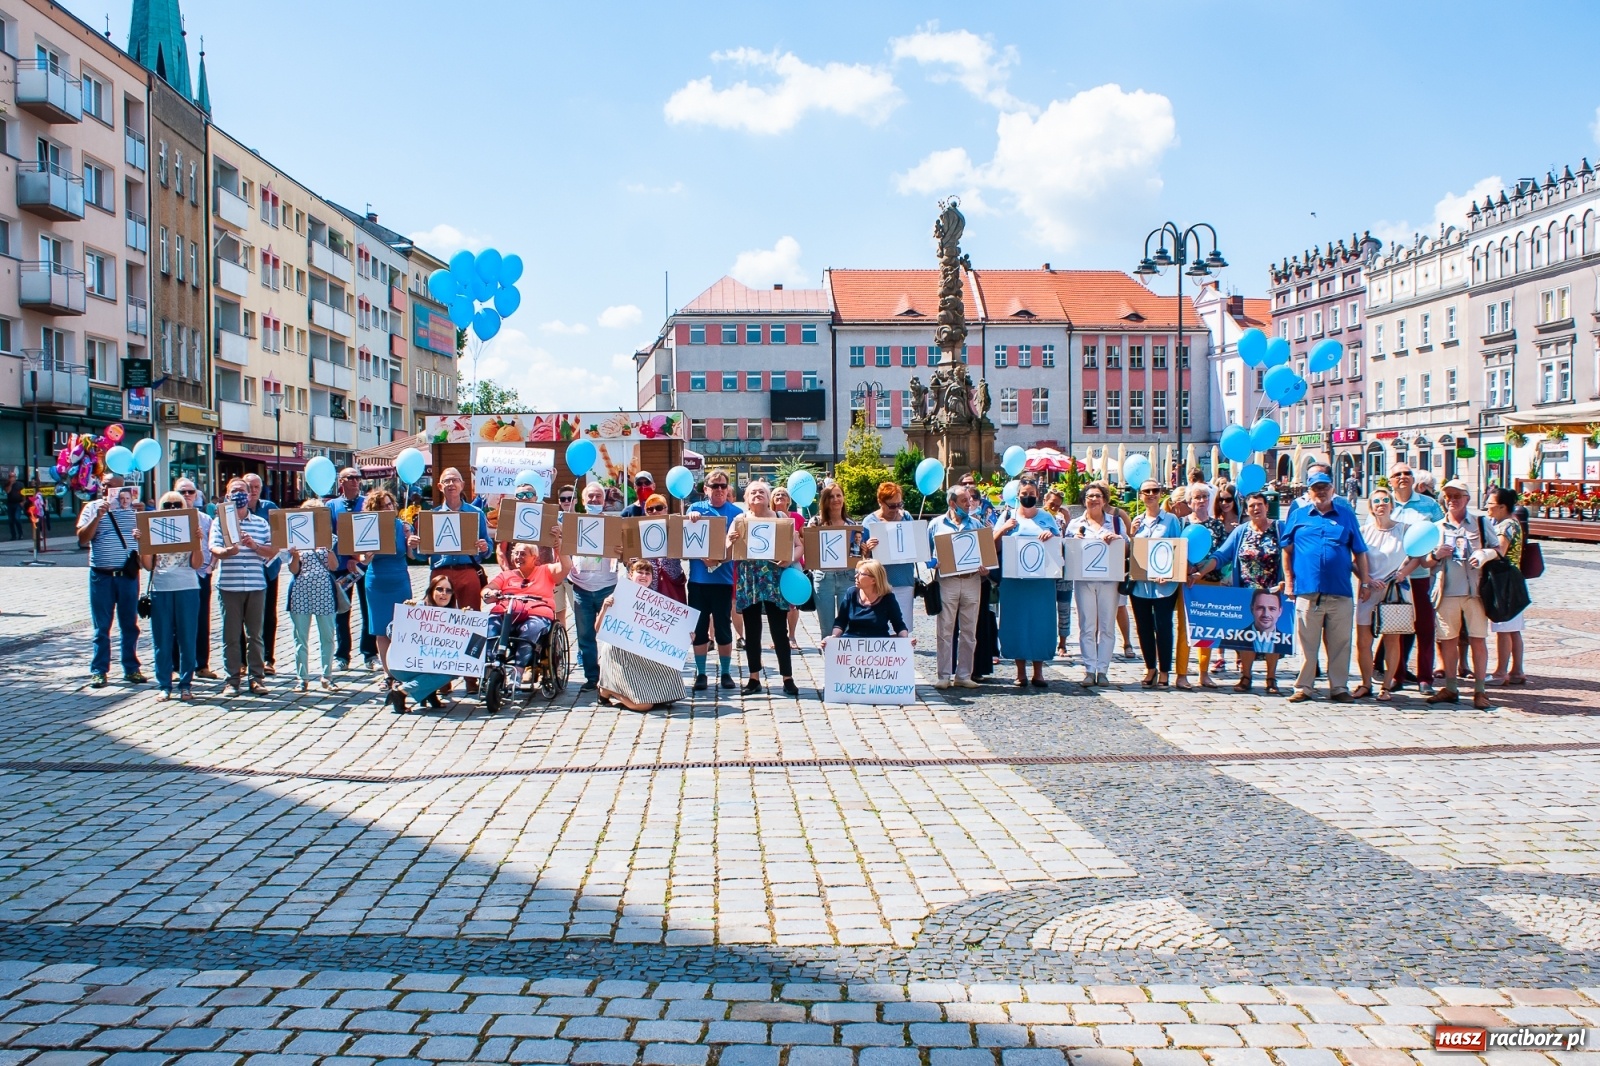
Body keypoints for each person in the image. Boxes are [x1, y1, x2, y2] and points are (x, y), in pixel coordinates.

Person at [1282, 470, 1372, 703]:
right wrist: (1289, 581)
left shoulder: (1346, 515)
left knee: (1341, 642)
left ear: (1333, 489)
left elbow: (1360, 551)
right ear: (1309, 491)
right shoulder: (1299, 515)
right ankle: (1304, 686)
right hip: (1307, 589)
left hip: (1340, 590)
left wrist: (1365, 581)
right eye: (1316, 488)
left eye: (1325, 487)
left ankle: (1339, 687)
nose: (1321, 491)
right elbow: (1287, 549)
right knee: (1306, 642)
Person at [409, 467, 491, 693]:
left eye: (455, 480)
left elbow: (487, 549)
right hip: (441, 573)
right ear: (439, 486)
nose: (451, 484)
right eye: (447, 481)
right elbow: (421, 554)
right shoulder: (431, 516)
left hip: (467, 571)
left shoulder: (476, 514)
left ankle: (471, 676)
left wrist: (484, 548)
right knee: (440, 627)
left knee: (472, 625)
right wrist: (414, 547)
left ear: (463, 485)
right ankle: (441, 679)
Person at [1195, 492, 1286, 694]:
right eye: (1252, 506)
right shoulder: (1242, 532)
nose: (1256, 509)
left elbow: (1292, 555)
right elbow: (1221, 556)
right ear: (1246, 510)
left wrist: (1288, 581)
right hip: (1245, 593)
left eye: (1259, 505)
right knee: (1246, 637)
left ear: (1266, 506)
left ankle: (1271, 678)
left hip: (1273, 591)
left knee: (1274, 636)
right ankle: (1246, 676)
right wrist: (1201, 572)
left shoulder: (1279, 529)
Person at [1423, 479, 1501, 709]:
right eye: (1448, 497)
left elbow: (1498, 549)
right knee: (1448, 640)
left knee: (1478, 639)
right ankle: (1450, 687)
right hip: (1446, 592)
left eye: (1457, 496)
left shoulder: (1480, 522)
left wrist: (1485, 554)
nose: (1452, 501)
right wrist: (1436, 555)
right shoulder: (1437, 527)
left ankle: (1480, 690)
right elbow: (1425, 561)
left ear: (1467, 498)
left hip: (1475, 592)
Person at [727, 480, 802, 696]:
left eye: (761, 492)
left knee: (779, 630)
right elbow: (725, 549)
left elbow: (798, 546)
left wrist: (789, 559)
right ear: (746, 499)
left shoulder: (781, 519)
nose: (757, 494)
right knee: (752, 631)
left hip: (774, 579)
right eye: (753, 492)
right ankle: (754, 678)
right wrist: (730, 541)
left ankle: (787, 677)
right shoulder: (740, 520)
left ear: (768, 497)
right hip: (748, 580)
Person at [1349, 488, 1422, 701]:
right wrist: (1366, 580)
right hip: (1369, 592)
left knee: (1392, 639)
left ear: (1392, 505)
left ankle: (1387, 686)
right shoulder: (1364, 532)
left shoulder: (1404, 530)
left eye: (1385, 500)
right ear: (1371, 506)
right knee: (1363, 640)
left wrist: (1402, 573)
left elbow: (1416, 556)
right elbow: (1354, 561)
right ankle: (1365, 683)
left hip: (1395, 592)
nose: (1381, 504)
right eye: (1377, 501)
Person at [210, 478, 277, 695]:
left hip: (256, 585)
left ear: (249, 496)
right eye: (234, 492)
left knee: (255, 635)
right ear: (227, 496)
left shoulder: (260, 523)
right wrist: (230, 550)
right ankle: (232, 680)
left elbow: (272, 551)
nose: (239, 495)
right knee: (231, 635)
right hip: (229, 586)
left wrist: (254, 545)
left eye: (242, 491)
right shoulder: (219, 522)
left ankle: (257, 678)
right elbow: (214, 549)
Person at [78, 477, 144, 688]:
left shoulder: (134, 508)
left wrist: (143, 516)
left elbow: (149, 539)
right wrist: (98, 517)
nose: (110, 488)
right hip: (102, 575)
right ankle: (99, 670)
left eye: (115, 485)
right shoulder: (93, 507)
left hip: (127, 575)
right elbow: (82, 538)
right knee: (102, 627)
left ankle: (131, 668)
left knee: (129, 625)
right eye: (106, 485)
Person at [994, 479, 1061, 688]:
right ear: (1018, 495)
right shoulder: (1007, 516)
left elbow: (1061, 547)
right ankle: (1020, 671)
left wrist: (1051, 536)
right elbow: (992, 546)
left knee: (1041, 624)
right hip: (1014, 583)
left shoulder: (1047, 518)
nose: (1028, 496)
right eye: (1024, 492)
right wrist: (1004, 529)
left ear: (1037, 495)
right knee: (1016, 623)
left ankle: (1039, 672)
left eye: (1031, 492)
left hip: (1041, 583)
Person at [138, 490, 203, 701]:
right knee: (162, 640)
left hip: (187, 587)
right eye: (167, 505)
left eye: (177, 504)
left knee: (187, 638)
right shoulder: (153, 527)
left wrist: (197, 542)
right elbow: (148, 565)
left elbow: (197, 564)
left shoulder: (191, 526)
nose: (173, 508)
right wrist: (143, 543)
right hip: (161, 588)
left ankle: (186, 684)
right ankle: (164, 684)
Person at [597, 558, 687, 711]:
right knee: (644, 705)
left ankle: (639, 689)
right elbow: (598, 629)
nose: (644, 576)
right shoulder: (619, 595)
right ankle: (607, 689)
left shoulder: (656, 600)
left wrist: (685, 637)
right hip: (620, 653)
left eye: (647, 573)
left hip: (643, 653)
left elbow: (666, 632)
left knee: (669, 696)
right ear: (631, 574)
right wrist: (605, 608)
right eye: (640, 572)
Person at [1386, 463, 1445, 695]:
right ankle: (1396, 674)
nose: (1403, 477)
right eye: (1397, 474)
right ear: (1390, 481)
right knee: (1396, 628)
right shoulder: (1386, 504)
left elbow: (1441, 532)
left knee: (1425, 627)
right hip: (1396, 576)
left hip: (1421, 575)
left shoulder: (1428, 505)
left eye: (1407, 473)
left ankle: (1424, 678)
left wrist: (1435, 556)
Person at [1066, 483, 1128, 687]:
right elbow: (1064, 551)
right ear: (1084, 500)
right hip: (1084, 580)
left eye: (1098, 496)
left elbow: (1127, 547)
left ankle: (1103, 670)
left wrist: (1118, 539)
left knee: (1107, 626)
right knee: (1087, 625)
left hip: (1109, 580)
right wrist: (1074, 541)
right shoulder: (1075, 524)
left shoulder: (1116, 523)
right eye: (1090, 496)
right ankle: (1089, 669)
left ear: (1104, 500)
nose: (1094, 499)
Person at [926, 484, 987, 689]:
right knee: (945, 629)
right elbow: (925, 555)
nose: (969, 504)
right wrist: (933, 563)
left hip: (971, 580)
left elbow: (986, 555)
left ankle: (963, 675)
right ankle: (944, 676)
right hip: (947, 581)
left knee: (969, 631)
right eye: (964, 501)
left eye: (970, 500)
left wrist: (985, 567)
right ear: (952, 503)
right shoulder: (936, 525)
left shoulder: (977, 525)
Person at [686, 468, 741, 692]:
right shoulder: (695, 509)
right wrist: (704, 556)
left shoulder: (736, 514)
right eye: (714, 486)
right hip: (698, 581)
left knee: (723, 628)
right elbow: (686, 541)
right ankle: (701, 674)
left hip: (723, 581)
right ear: (705, 489)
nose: (719, 489)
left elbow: (739, 549)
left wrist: (716, 561)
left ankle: (726, 672)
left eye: (723, 486)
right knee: (699, 629)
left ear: (728, 489)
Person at [1129, 480, 1183, 687]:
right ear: (1141, 495)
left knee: (1163, 626)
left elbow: (1177, 549)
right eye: (1147, 491)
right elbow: (1133, 552)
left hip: (1163, 585)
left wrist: (1169, 574)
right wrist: (1131, 534)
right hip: (1141, 585)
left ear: (1161, 494)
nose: (1151, 494)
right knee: (1143, 627)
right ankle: (1149, 666)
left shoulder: (1171, 520)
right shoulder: (1137, 520)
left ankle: (1164, 670)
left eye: (1155, 490)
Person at [355, 487, 412, 679]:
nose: (388, 508)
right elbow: (363, 560)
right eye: (382, 506)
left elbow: (414, 555)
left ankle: (401, 673)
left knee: (401, 628)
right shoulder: (368, 527)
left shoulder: (402, 526)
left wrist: (411, 542)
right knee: (381, 630)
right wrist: (367, 555)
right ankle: (388, 675)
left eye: (390, 504)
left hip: (399, 578)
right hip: (377, 581)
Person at [286, 498, 342, 693]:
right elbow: (294, 570)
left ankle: (327, 676)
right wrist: (294, 555)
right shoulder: (295, 538)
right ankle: (302, 678)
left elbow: (334, 567)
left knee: (327, 635)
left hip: (324, 591)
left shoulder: (330, 538)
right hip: (301, 590)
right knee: (300, 637)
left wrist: (328, 550)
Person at [386, 571, 462, 713]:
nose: (443, 593)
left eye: (448, 590)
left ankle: (429, 694)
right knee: (447, 672)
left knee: (452, 664)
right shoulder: (417, 607)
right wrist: (404, 618)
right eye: (439, 589)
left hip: (425, 663)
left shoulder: (453, 614)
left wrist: (465, 620)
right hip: (403, 663)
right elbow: (390, 631)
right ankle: (401, 691)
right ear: (431, 590)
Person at [327, 468, 379, 672]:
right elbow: (328, 536)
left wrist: (358, 558)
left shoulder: (367, 503)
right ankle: (342, 655)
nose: (356, 481)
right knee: (342, 610)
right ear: (341, 481)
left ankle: (369, 653)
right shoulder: (332, 506)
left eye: (358, 477)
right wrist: (345, 556)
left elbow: (374, 532)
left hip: (364, 565)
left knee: (368, 611)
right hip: (341, 567)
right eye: (351, 478)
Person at [569, 480, 620, 693]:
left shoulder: (613, 524)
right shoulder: (573, 523)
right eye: (590, 496)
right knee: (585, 636)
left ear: (604, 499)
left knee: (612, 635)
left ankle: (613, 677)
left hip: (607, 586)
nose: (593, 500)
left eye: (598, 496)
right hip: (581, 587)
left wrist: (620, 550)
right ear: (582, 500)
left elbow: (624, 552)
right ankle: (592, 677)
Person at [174, 480, 220, 680]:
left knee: (201, 620)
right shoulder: (170, 517)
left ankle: (201, 664)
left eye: (190, 491)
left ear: (196, 494)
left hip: (200, 574)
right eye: (181, 491)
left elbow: (214, 543)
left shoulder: (205, 519)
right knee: (176, 622)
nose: (186, 494)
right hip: (178, 575)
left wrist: (211, 566)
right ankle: (175, 666)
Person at [1485, 486, 1527, 687]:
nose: (1487, 507)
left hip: (1503, 581)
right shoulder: (1515, 523)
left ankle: (1501, 672)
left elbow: (1499, 550)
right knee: (1513, 629)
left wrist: (1483, 552)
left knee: (1503, 627)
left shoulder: (1506, 526)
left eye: (1491, 504)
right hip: (1514, 578)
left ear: (1502, 507)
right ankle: (1517, 671)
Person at [860, 482, 917, 627]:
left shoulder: (906, 517)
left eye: (899, 504)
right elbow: (863, 559)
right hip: (879, 582)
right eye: (892, 505)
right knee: (880, 626)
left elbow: (916, 545)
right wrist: (867, 549)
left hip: (904, 579)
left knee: (903, 626)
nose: (896, 509)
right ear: (880, 502)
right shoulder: (869, 522)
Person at [241, 473, 281, 675]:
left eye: (257, 486)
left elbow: (279, 536)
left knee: (268, 614)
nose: (254, 490)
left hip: (268, 568)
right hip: (243, 569)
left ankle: (268, 658)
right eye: (250, 486)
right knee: (241, 615)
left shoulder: (270, 508)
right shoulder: (235, 509)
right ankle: (242, 661)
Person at [808, 483, 857, 639]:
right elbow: (810, 552)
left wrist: (862, 550)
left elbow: (854, 557)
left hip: (847, 577)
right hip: (823, 578)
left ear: (843, 498)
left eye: (838, 495)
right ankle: (829, 663)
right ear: (825, 500)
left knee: (848, 626)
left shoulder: (852, 525)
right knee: (827, 629)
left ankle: (845, 662)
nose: (836, 499)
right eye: (831, 496)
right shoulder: (815, 523)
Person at [828, 559, 910, 639]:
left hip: (879, 644)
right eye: (857, 573)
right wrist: (834, 636)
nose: (856, 576)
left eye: (861, 574)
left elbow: (898, 624)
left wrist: (905, 640)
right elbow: (841, 621)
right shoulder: (851, 593)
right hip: (852, 642)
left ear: (874, 580)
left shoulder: (888, 598)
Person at [770, 485, 806, 647]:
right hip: (773, 563)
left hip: (793, 562)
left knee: (793, 601)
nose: (780, 496)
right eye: (777, 494)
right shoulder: (768, 516)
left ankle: (791, 636)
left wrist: (797, 538)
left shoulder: (797, 518)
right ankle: (778, 637)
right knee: (776, 602)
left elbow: (805, 541)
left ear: (788, 500)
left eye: (783, 494)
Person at [1043, 488, 1074, 657]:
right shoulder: (1039, 518)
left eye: (1058, 506)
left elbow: (1070, 540)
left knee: (1064, 606)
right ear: (1045, 502)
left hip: (1063, 567)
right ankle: (1047, 640)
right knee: (1046, 607)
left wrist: (1067, 520)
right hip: (1045, 568)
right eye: (1052, 504)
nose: (1054, 508)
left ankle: (1063, 643)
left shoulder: (1063, 520)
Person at [640, 494, 687, 603]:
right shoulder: (639, 530)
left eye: (659, 508)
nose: (655, 511)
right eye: (650, 509)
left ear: (666, 509)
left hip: (672, 584)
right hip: (649, 587)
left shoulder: (675, 527)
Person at [6, 475, 22, 541]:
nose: (12, 478)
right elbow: (7, 491)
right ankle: (13, 536)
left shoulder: (20, 484)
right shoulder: (7, 484)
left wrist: (23, 502)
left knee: (17, 518)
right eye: (10, 477)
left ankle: (20, 534)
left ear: (15, 477)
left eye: (13, 477)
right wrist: (10, 484)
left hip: (18, 503)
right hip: (10, 504)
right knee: (11, 520)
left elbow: (24, 493)